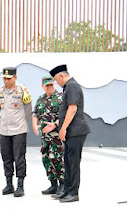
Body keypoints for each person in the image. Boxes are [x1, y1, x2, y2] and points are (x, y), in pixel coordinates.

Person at [49, 64, 90, 203]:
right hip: (71, 132)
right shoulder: (69, 87)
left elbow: (72, 109)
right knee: (67, 161)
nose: (56, 83)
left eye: (56, 79)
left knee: (73, 163)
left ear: (61, 75)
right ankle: (66, 190)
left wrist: (63, 128)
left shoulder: (72, 86)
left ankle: (73, 193)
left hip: (75, 131)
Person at [0, 67, 32, 197]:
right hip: (4, 130)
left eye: (9, 78)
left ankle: (20, 185)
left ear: (15, 78)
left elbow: (28, 110)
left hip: (19, 130)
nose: (6, 81)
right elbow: (1, 109)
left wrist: (22, 123)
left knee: (19, 158)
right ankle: (9, 184)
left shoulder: (22, 90)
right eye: (4, 78)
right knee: (6, 157)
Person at [32, 75, 65, 195]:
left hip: (57, 135)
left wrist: (55, 124)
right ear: (43, 86)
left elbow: (65, 116)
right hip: (45, 137)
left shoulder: (61, 98)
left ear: (54, 85)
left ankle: (62, 184)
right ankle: (53, 184)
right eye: (47, 85)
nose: (50, 87)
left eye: (51, 85)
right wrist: (34, 125)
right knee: (46, 159)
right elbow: (35, 113)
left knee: (57, 158)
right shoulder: (40, 99)